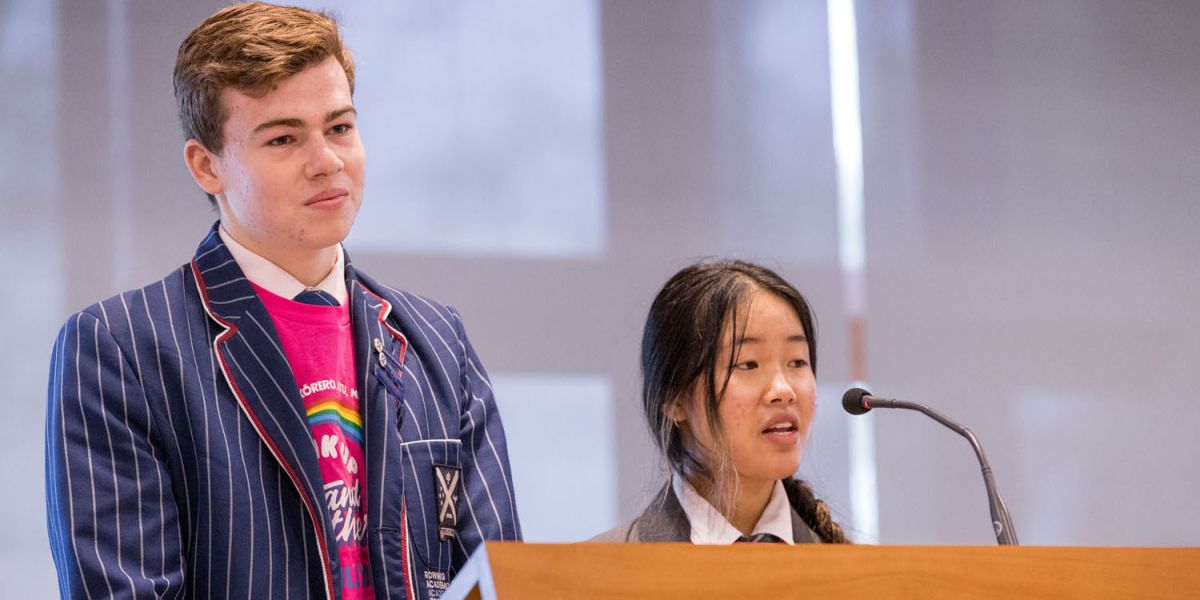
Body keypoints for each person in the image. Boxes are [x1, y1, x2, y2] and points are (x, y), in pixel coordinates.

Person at [44, 4, 520, 598]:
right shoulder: (122, 349)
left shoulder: (438, 341)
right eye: (284, 138)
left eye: (341, 127)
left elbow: (499, 578)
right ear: (205, 166)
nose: (326, 161)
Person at [593, 260, 848, 544]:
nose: (783, 389)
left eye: (797, 362)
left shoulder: (860, 577)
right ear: (674, 398)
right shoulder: (597, 574)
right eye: (748, 364)